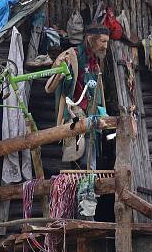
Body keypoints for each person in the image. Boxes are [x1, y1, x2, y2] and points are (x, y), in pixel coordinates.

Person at [45, 24, 109, 166]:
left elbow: (99, 93)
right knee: (76, 154)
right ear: (91, 39)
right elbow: (49, 87)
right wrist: (61, 71)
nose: (105, 46)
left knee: (90, 156)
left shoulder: (95, 63)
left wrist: (103, 112)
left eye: (107, 42)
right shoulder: (72, 55)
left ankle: (88, 185)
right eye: (103, 41)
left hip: (92, 113)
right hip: (74, 112)